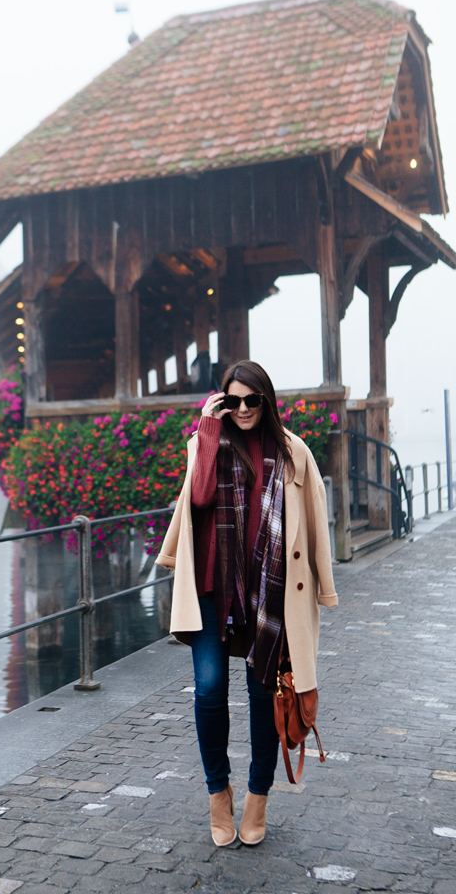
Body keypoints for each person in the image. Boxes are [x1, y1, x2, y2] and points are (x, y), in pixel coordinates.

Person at [157, 360, 338, 847]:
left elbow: (317, 519)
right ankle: (220, 794)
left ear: (266, 401)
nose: (242, 409)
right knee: (209, 691)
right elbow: (196, 500)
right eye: (232, 400)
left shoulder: (293, 452)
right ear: (221, 402)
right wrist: (209, 430)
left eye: (251, 400)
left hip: (272, 594)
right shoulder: (206, 442)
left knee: (265, 696)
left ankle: (258, 796)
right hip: (213, 590)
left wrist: (325, 587)